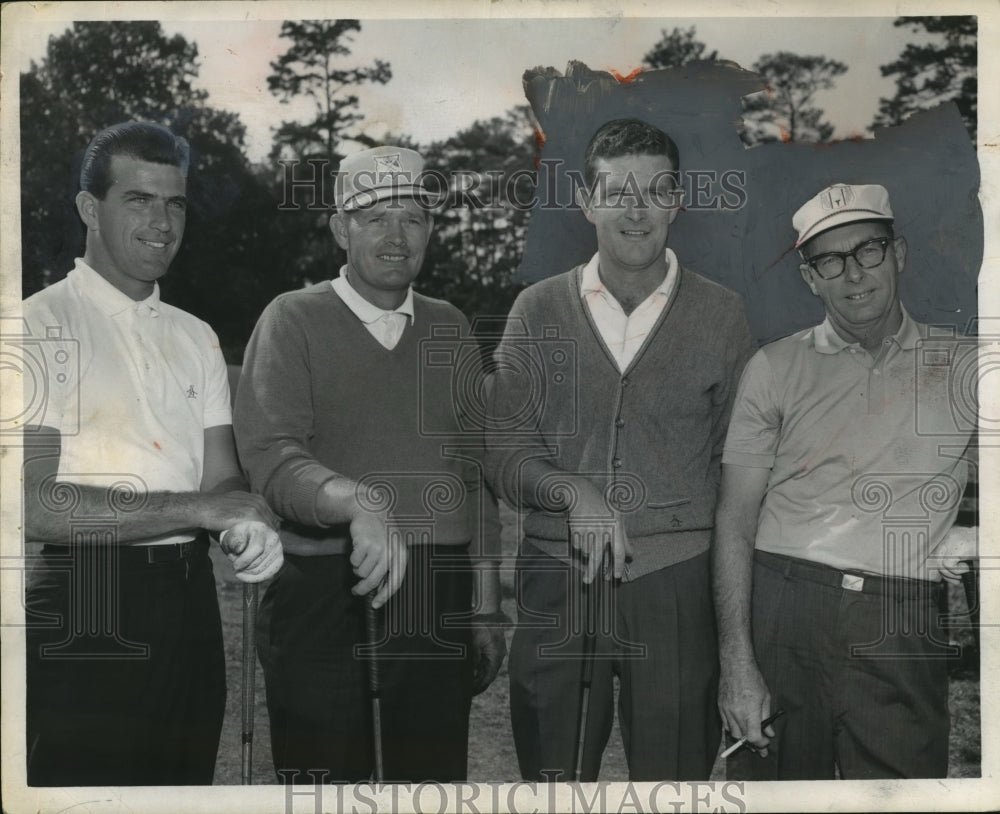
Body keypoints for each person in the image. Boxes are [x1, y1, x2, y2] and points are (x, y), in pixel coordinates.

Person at [485, 118, 756, 781]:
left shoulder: (723, 315)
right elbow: (504, 450)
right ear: (587, 201)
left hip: (676, 580)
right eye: (618, 190)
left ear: (677, 200)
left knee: (673, 781)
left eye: (656, 189)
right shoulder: (536, 310)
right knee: (554, 779)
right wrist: (571, 491)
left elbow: (740, 470)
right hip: (558, 574)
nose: (636, 208)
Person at [21, 121, 283, 787]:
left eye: (175, 204)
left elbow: (219, 472)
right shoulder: (36, 324)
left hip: (190, 606)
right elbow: (36, 505)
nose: (162, 223)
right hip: (86, 601)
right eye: (139, 200)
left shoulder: (197, 336)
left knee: (182, 789)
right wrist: (205, 509)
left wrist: (244, 524)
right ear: (89, 209)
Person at [233, 145, 506, 783]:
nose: (395, 235)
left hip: (435, 594)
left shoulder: (451, 326)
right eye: (374, 216)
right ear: (339, 228)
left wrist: (487, 606)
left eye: (412, 217)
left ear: (430, 231)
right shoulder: (291, 318)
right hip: (324, 586)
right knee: (326, 784)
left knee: (430, 783)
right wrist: (354, 500)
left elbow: (474, 476)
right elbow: (271, 456)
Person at [714, 182, 977, 779]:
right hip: (785, 602)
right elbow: (735, 517)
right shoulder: (773, 367)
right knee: (774, 794)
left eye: (869, 251)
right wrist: (736, 663)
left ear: (899, 253)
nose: (854, 274)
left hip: (900, 613)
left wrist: (977, 536)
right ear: (810, 278)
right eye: (830, 260)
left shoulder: (964, 365)